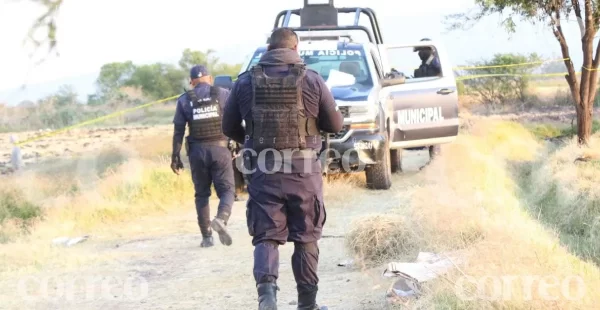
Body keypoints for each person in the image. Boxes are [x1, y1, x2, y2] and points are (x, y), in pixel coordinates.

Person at [222, 28, 343, 310]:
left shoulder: (243, 83)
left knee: (267, 236)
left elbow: (228, 128)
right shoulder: (312, 79)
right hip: (303, 170)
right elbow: (335, 125)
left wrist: (251, 142)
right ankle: (307, 305)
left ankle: (267, 301)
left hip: (263, 169)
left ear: (268, 48)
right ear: (295, 48)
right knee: (306, 237)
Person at [171, 64, 235, 248]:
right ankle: (222, 218)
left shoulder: (184, 100)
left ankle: (207, 237)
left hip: (197, 152)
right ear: (210, 78)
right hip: (220, 150)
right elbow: (235, 119)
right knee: (227, 190)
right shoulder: (223, 94)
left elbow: (178, 131)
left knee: (202, 195)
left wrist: (175, 157)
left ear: (191, 82)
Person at [413, 38, 442, 166]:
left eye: (421, 50)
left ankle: (436, 161)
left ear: (429, 50)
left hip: (435, 100)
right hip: (426, 100)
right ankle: (433, 161)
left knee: (435, 131)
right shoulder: (425, 64)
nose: (419, 53)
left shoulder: (436, 62)